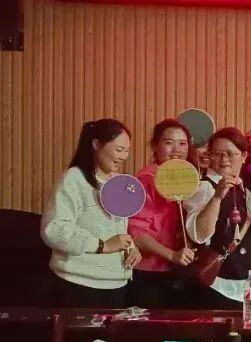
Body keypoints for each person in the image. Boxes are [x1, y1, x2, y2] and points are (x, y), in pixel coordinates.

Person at [43, 119, 142, 308]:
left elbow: (116, 231)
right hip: (79, 284)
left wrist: (131, 248)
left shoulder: (119, 183)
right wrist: (102, 245)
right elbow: (54, 229)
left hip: (117, 284)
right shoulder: (74, 178)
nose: (124, 156)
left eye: (127, 151)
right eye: (119, 149)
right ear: (96, 144)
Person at [184, 128, 251, 309]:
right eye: (217, 154)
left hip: (243, 286)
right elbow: (199, 235)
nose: (224, 159)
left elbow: (238, 237)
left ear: (244, 156)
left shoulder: (244, 190)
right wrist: (217, 197)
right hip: (213, 286)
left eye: (230, 154)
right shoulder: (204, 188)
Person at [128, 119, 196, 309]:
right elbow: (137, 234)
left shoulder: (185, 178)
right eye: (169, 142)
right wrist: (172, 255)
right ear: (154, 146)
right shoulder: (147, 179)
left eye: (182, 143)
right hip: (148, 272)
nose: (177, 150)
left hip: (174, 270)